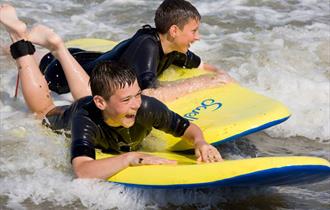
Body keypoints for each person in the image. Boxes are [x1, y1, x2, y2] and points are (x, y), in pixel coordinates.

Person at [0, 4, 222, 179]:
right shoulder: (85, 119)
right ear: (100, 103)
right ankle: (18, 41)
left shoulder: (145, 106)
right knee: (42, 112)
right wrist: (130, 158)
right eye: (127, 99)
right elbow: (83, 170)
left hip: (94, 76)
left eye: (136, 96)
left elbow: (187, 127)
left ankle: (53, 46)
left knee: (105, 94)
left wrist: (200, 142)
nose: (135, 104)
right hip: (71, 103)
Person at [38, 0, 235, 102]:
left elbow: (201, 64)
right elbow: (150, 94)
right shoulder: (147, 46)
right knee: (34, 59)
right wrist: (203, 83)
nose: (197, 37)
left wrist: (219, 74)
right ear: (174, 31)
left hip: (83, 56)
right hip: (64, 77)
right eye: (194, 31)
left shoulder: (174, 47)